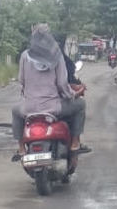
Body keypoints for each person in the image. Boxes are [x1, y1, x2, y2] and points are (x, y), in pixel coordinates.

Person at [11, 24, 90, 162]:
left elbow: (21, 80)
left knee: (14, 111)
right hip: (53, 108)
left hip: (28, 109)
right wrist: (72, 95)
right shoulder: (56, 56)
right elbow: (62, 84)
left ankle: (21, 148)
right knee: (81, 105)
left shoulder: (24, 55)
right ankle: (75, 142)